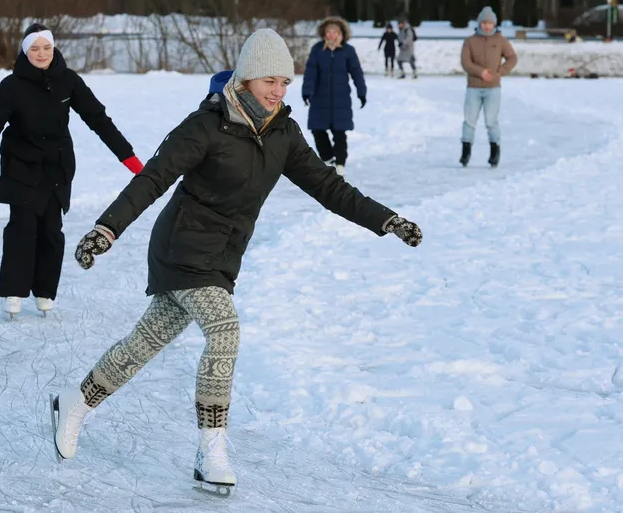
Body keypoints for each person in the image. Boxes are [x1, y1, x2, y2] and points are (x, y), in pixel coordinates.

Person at [50, 29, 423, 491]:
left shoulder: (282, 131)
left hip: (224, 256)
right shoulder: (207, 124)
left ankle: (76, 401)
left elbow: (329, 188)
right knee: (224, 330)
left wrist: (385, 220)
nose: (278, 90)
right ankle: (212, 449)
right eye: (269, 80)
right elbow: (152, 179)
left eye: (285, 82)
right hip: (181, 249)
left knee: (143, 344)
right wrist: (107, 229)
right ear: (246, 77)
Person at [0, 24, 144, 319]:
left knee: (51, 232)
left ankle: (45, 291)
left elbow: (98, 119)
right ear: (25, 51)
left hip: (56, 169)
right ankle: (14, 291)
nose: (41, 54)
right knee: (22, 229)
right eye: (34, 48)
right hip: (20, 167)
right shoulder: (12, 86)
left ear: (54, 48)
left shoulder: (67, 81)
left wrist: (128, 157)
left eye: (46, 47)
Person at [302, 16, 366, 177]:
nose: (331, 35)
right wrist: (307, 91)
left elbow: (356, 73)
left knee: (339, 134)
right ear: (324, 33)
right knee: (317, 129)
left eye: (334, 32)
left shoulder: (348, 51)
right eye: (328, 32)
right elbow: (310, 72)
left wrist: (361, 92)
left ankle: (340, 163)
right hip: (320, 98)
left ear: (341, 34)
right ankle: (328, 158)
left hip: (341, 99)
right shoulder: (317, 49)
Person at [459, 7, 518, 168]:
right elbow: (466, 63)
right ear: (479, 23)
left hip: (493, 88)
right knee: (469, 121)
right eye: (484, 22)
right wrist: (480, 72)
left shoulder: (500, 41)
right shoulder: (470, 41)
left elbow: (512, 58)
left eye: (490, 23)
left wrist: (500, 72)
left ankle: (494, 151)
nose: (487, 26)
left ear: (494, 24)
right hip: (473, 88)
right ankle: (465, 151)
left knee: (491, 121)